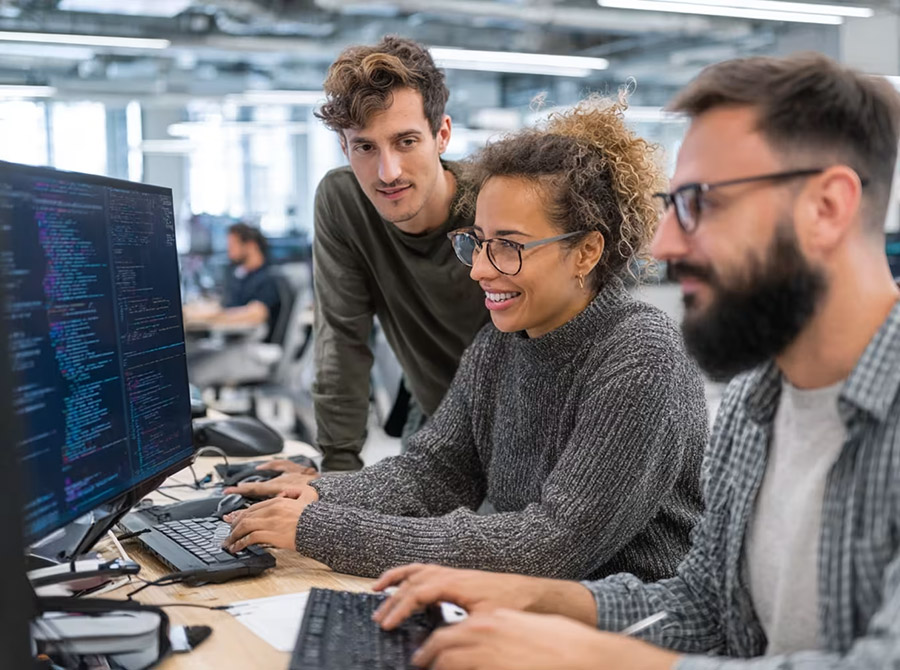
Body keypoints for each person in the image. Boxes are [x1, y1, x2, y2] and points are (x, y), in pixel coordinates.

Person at [369, 53, 900, 670]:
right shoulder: (756, 406)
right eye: (673, 204)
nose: (668, 243)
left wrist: (591, 656)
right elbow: (705, 607)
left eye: (702, 202)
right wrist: (538, 598)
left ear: (827, 207)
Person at [222, 95, 708, 583]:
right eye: (476, 241)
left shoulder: (641, 357)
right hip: (540, 612)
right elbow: (435, 470)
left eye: (508, 246)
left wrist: (320, 527)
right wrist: (316, 495)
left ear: (585, 252)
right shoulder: (502, 342)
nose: (479, 268)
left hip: (631, 628)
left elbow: (549, 546)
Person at [310, 36, 490, 471]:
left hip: (524, 428)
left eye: (406, 141)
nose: (387, 173)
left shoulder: (492, 203)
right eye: (365, 147)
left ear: (441, 134)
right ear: (343, 146)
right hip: (433, 414)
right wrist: (337, 470)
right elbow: (342, 339)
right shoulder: (342, 202)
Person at [184, 223, 284, 388]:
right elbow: (225, 304)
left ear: (250, 245)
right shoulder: (240, 274)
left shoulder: (268, 278)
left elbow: (255, 314)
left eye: (233, 245)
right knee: (188, 358)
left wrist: (208, 317)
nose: (229, 250)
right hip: (233, 342)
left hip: (253, 347)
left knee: (192, 371)